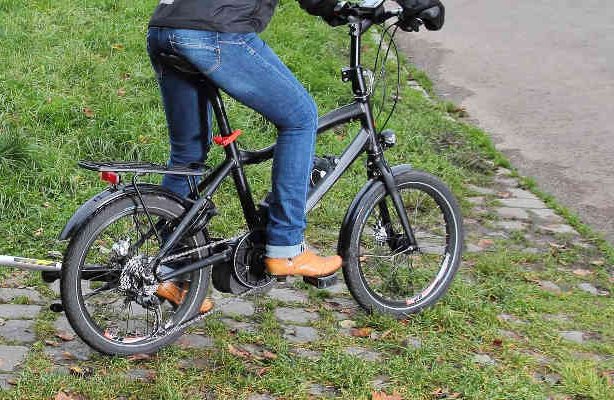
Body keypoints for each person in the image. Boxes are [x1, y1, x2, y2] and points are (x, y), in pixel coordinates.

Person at [143, 0, 443, 312]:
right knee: (300, 117)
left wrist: (333, 9)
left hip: (166, 26)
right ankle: (286, 247)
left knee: (188, 152)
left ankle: (165, 267)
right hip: (215, 31)